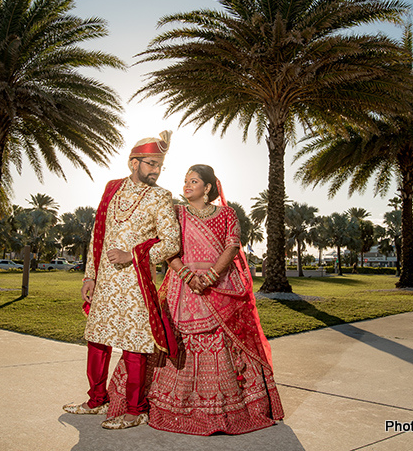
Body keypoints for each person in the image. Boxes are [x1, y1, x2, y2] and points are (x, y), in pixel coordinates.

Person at [147, 164, 284, 435]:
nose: (186, 186)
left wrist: (209, 277)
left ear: (208, 188)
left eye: (194, 182)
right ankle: (174, 406)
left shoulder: (227, 214)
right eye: (185, 181)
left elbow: (232, 245)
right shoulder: (175, 213)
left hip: (221, 288)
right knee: (180, 341)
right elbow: (166, 246)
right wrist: (187, 275)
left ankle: (234, 408)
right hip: (183, 286)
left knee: (225, 343)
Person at [63, 131, 181, 430]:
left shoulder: (160, 197)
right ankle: (96, 401)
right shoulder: (112, 188)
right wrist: (90, 275)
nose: (155, 170)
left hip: (135, 283)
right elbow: (97, 236)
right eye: (151, 163)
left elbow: (171, 242)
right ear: (133, 163)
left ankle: (135, 410)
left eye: (160, 165)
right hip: (105, 282)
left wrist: (133, 254)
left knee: (135, 345)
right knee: (97, 341)